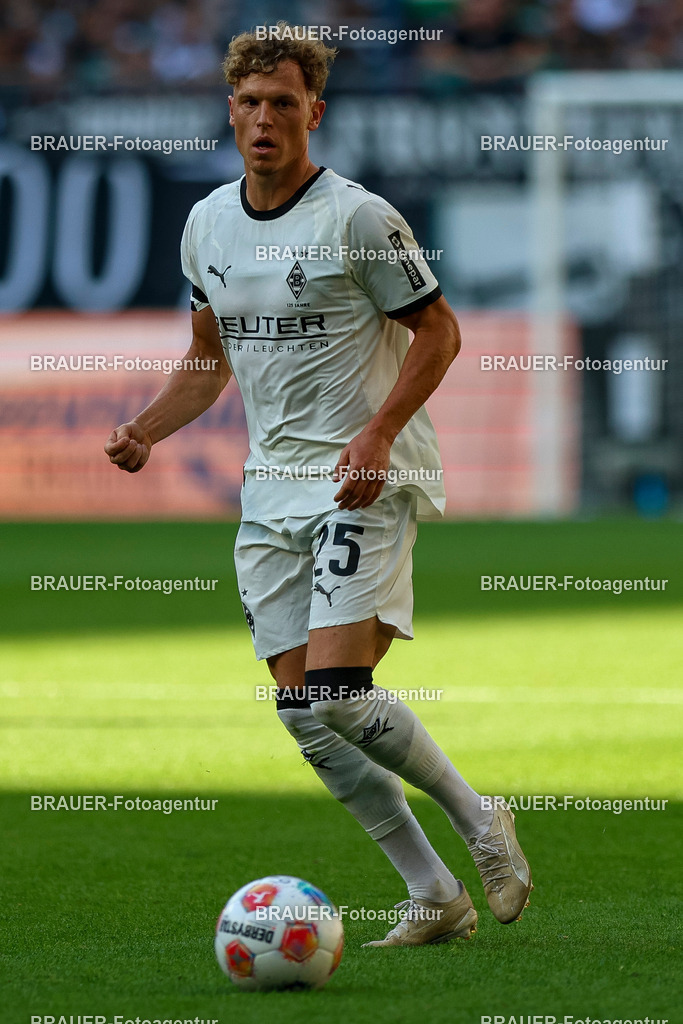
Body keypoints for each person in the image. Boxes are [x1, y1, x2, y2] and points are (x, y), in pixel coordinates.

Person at [104, 21, 532, 947]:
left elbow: (440, 332)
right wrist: (145, 427)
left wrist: (376, 433)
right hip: (268, 494)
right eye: (250, 104)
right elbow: (205, 362)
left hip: (361, 478)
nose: (265, 121)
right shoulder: (206, 224)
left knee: (340, 692)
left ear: (314, 113)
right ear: (230, 111)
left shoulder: (357, 218)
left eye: (284, 105)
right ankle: (433, 895)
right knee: (303, 716)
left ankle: (480, 819)